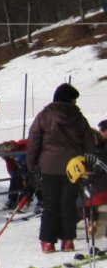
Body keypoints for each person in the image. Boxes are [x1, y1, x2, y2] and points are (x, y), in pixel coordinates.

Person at [26, 83, 97, 253]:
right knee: (68, 203)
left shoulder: (44, 116)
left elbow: (34, 141)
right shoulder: (79, 118)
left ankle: (48, 242)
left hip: (49, 166)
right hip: (73, 167)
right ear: (70, 99)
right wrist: (86, 163)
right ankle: (67, 240)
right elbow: (89, 143)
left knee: (50, 204)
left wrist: (31, 166)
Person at [0, 139, 34, 213]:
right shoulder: (8, 158)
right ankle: (12, 200)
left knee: (29, 181)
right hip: (22, 168)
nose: (11, 157)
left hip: (32, 165)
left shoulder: (23, 145)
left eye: (11, 155)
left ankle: (27, 201)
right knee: (15, 179)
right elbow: (11, 169)